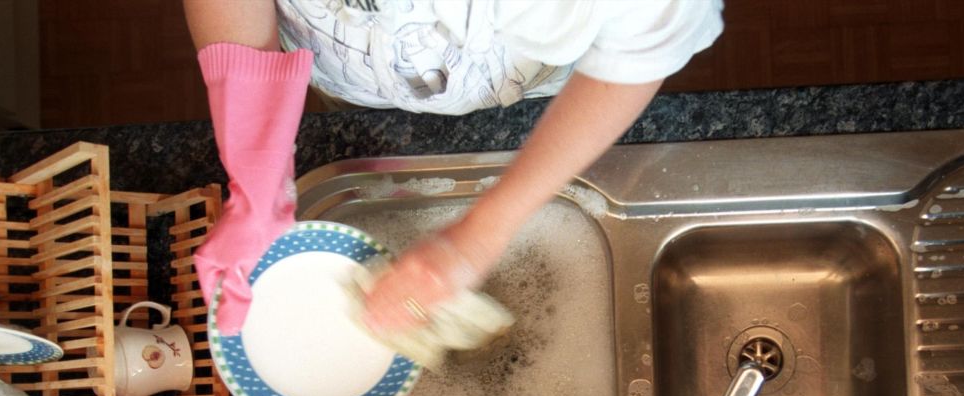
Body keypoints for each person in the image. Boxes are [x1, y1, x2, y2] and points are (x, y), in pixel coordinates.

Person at [184, 0, 724, 337]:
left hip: (532, 90)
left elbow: (639, 50)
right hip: (345, 63)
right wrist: (256, 170)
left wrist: (477, 239)